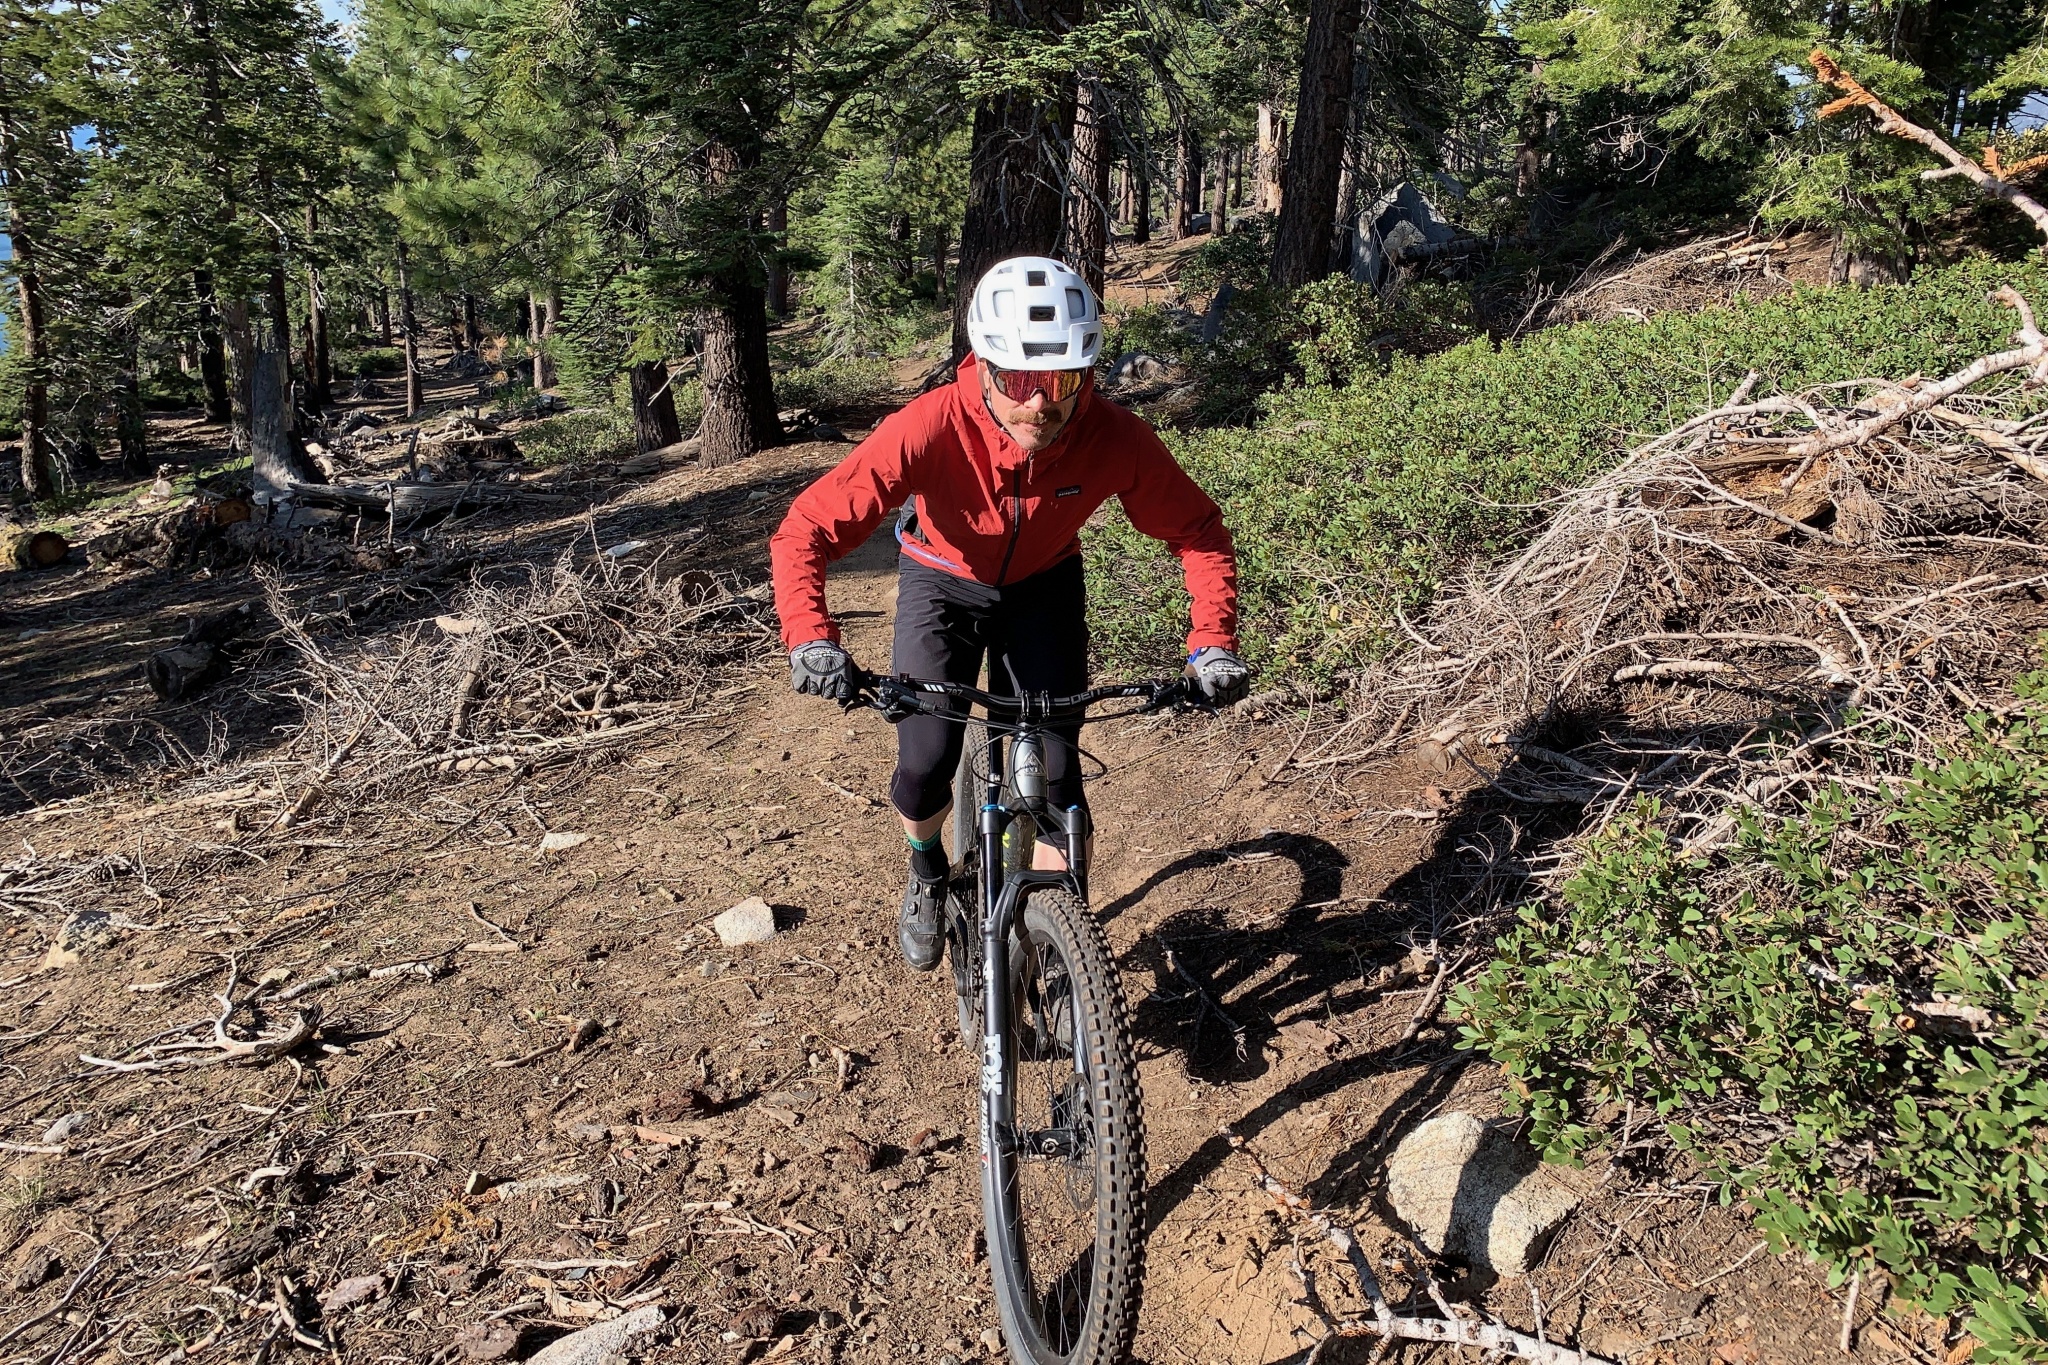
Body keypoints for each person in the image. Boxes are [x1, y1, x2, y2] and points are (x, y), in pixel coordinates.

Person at [770, 255, 1248, 970]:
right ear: (985, 367)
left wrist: (1211, 641)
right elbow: (806, 528)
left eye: (1063, 379)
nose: (1041, 404)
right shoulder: (930, 426)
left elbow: (1199, 530)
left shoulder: (1113, 436)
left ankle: (1062, 960)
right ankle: (927, 869)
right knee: (926, 761)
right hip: (942, 582)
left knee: (1058, 777)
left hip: (1043, 586)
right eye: (1020, 380)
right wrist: (811, 636)